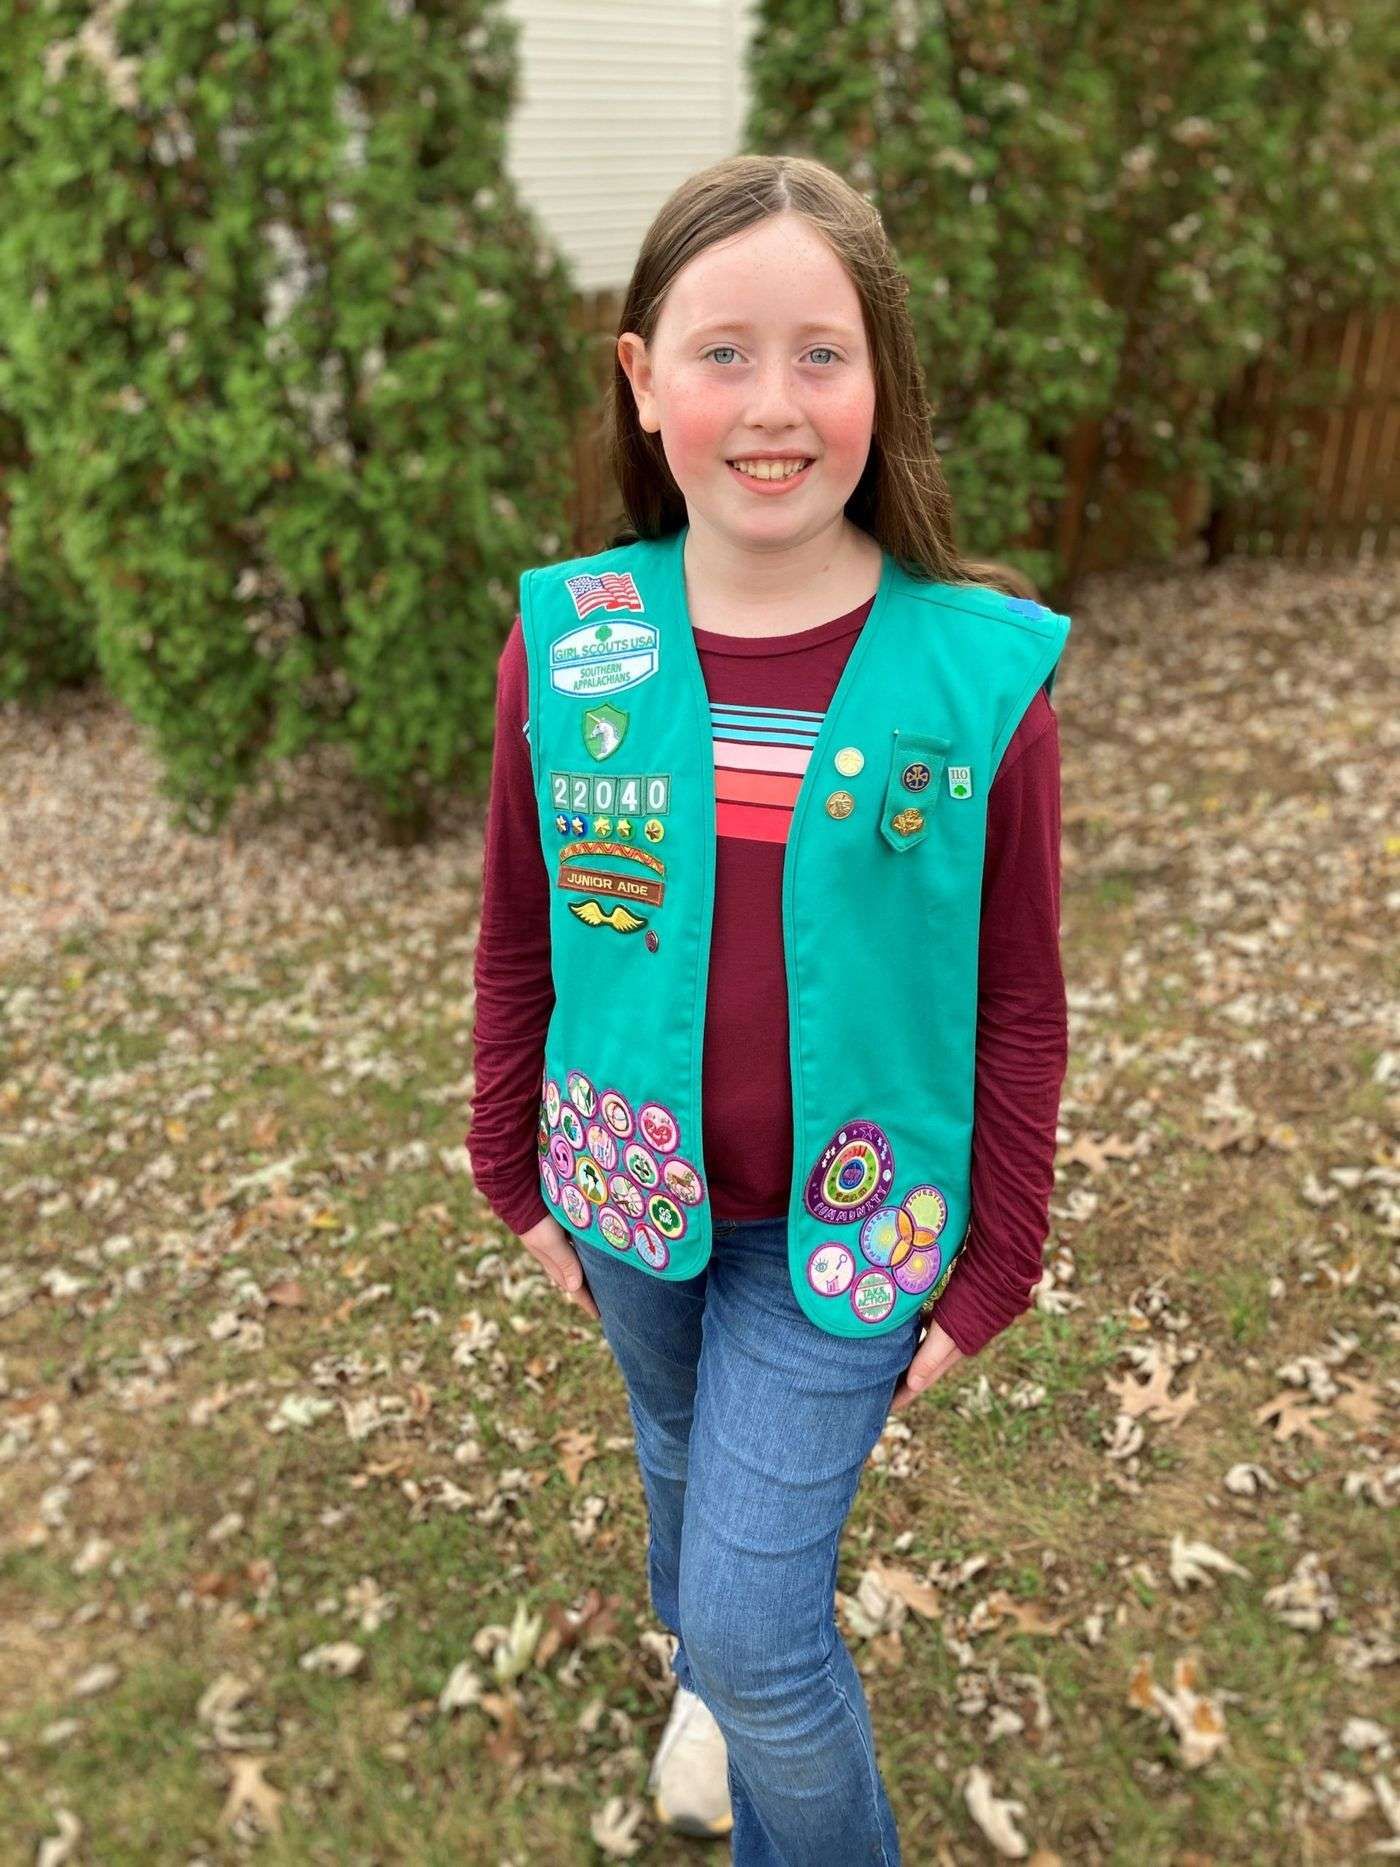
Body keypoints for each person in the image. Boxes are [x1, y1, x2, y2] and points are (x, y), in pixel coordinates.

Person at [466, 153, 1070, 1865]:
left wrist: (1002, 1252)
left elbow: (1018, 999)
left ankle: (732, 1683)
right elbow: (524, 931)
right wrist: (504, 1163)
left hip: (850, 1226)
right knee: (674, 1452)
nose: (775, 403)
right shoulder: (572, 648)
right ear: (643, 379)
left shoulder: (976, 675)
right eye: (723, 352)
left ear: (882, 377)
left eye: (824, 352)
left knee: (754, 1622)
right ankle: (704, 1679)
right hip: (630, 1185)